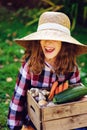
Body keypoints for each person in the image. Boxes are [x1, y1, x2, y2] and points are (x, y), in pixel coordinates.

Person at [7, 11, 87, 130]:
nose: (48, 42)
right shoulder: (30, 66)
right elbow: (18, 98)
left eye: (55, 38)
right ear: (39, 40)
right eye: (44, 37)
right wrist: (15, 126)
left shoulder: (71, 67)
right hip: (35, 118)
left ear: (64, 43)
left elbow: (77, 93)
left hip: (62, 115)